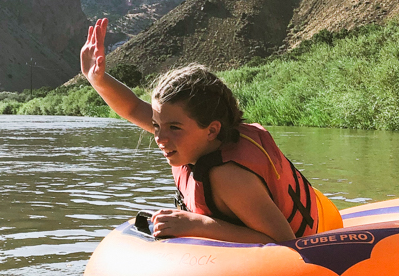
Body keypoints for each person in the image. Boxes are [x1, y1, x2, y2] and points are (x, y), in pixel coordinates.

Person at [80, 17, 342, 244]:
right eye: (157, 125)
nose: (159, 137)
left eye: (173, 127)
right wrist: (98, 79)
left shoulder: (230, 177)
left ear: (212, 130)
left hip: (321, 237)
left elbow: (284, 241)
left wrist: (196, 225)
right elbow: (134, 108)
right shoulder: (194, 136)